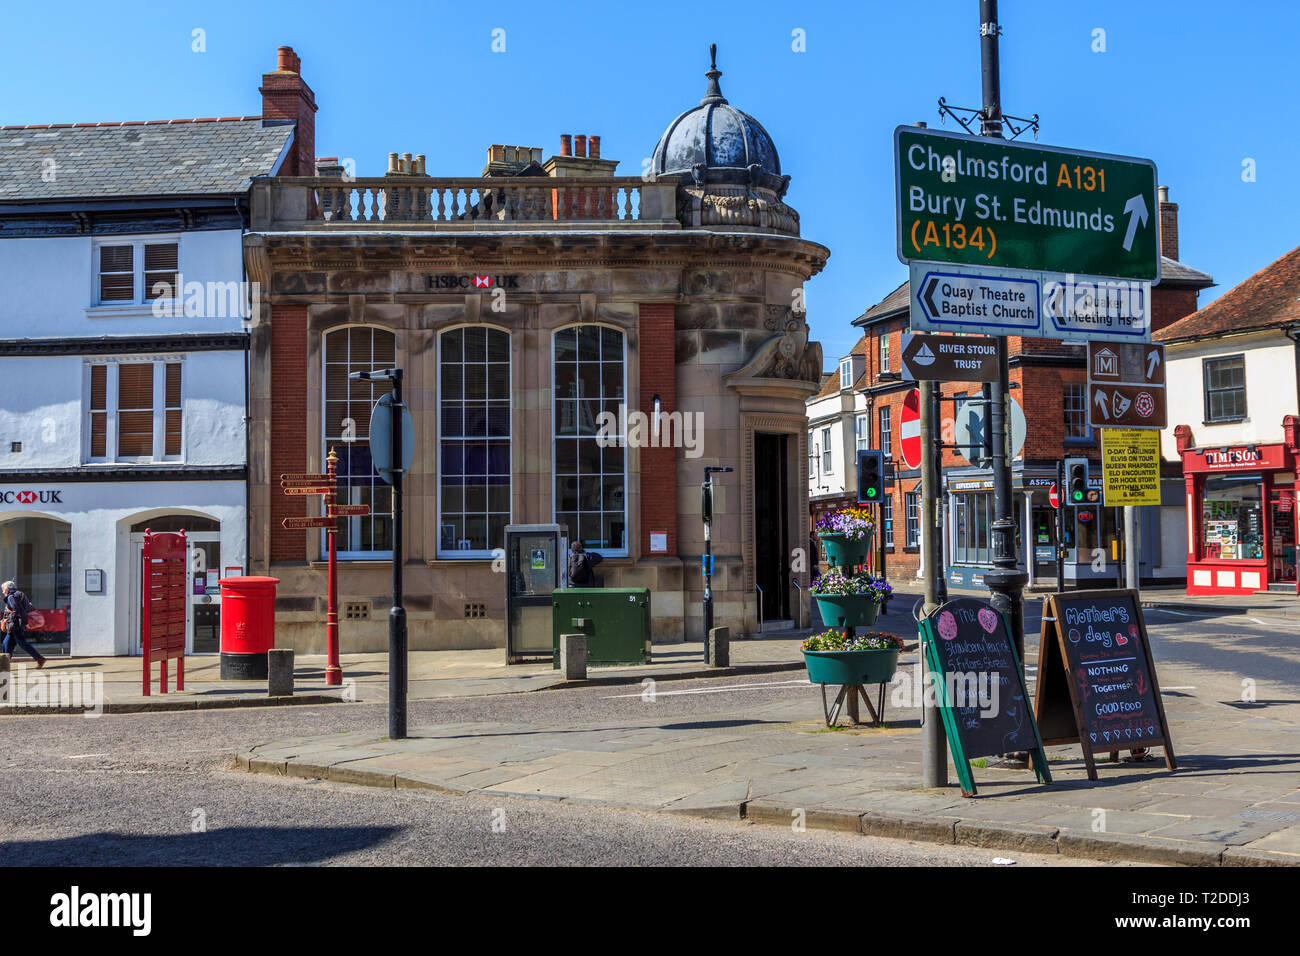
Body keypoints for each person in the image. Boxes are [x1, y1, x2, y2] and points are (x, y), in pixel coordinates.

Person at [2, 580, 45, 669]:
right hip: (18, 623)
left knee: (21, 643)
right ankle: (4, 663)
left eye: (3, 589)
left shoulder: (11, 597)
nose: (2, 592)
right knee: (7, 643)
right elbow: (26, 608)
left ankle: (39, 658)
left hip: (15, 624)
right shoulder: (20, 594)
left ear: (7, 589)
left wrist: (8, 620)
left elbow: (17, 610)